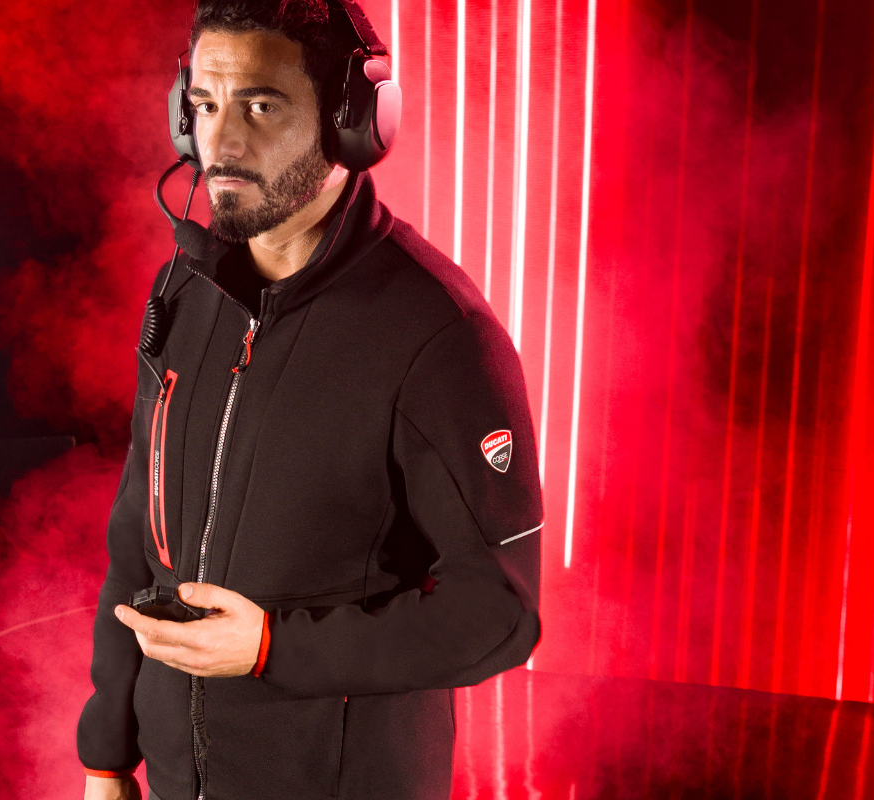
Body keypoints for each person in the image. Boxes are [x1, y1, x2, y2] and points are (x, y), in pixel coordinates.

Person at [79, 2, 543, 798]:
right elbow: (137, 541)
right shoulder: (185, 294)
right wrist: (107, 756)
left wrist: (271, 647)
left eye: (260, 106)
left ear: (351, 120)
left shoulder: (437, 334)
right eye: (205, 105)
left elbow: (497, 615)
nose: (221, 143)